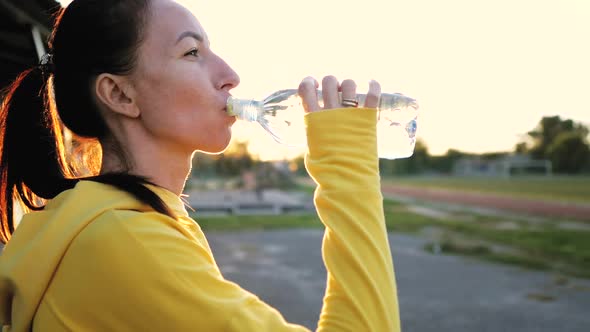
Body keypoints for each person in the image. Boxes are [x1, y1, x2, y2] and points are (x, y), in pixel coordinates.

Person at [0, 0, 401, 331]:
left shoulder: (122, 222)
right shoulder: (125, 241)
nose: (230, 76)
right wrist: (348, 167)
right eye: (192, 52)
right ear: (120, 94)